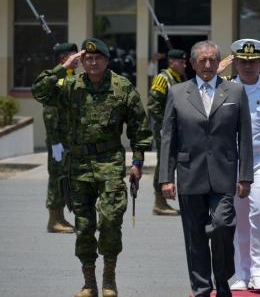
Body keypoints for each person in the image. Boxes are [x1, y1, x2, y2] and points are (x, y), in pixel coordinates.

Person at [32, 37, 152, 297]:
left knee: (110, 221)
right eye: (87, 58)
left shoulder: (122, 87)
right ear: (81, 61)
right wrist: (64, 66)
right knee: (84, 226)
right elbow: (40, 91)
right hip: (79, 166)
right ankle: (89, 282)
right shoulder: (71, 85)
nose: (92, 62)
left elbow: (139, 129)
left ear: (107, 60)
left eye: (97, 58)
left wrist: (138, 162)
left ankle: (109, 278)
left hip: (110, 162)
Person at [159, 40, 254, 297]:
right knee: (195, 236)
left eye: (213, 59)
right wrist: (166, 178)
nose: (208, 64)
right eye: (202, 60)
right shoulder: (177, 92)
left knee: (223, 225)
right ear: (192, 64)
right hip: (190, 173)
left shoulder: (234, 92)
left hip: (224, 173)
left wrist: (245, 176)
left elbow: (244, 135)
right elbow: (168, 137)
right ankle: (201, 288)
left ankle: (222, 281)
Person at [225, 39, 260, 291]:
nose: (248, 66)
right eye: (243, 62)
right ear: (235, 62)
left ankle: (259, 270)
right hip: (232, 162)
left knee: (258, 212)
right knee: (238, 218)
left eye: (253, 62)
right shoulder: (224, 89)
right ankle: (241, 272)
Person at [41, 42, 78, 233]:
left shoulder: (71, 77)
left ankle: (61, 217)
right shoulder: (55, 79)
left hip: (69, 139)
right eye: (73, 55)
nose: (77, 59)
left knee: (65, 178)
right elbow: (50, 112)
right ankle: (53, 220)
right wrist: (55, 141)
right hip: (59, 140)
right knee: (56, 177)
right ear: (63, 59)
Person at [147, 48, 187, 216]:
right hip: (164, 128)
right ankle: (159, 202)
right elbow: (153, 105)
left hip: (178, 127)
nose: (185, 65)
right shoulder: (163, 79)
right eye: (182, 62)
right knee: (163, 161)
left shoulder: (179, 78)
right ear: (172, 62)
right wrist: (165, 124)